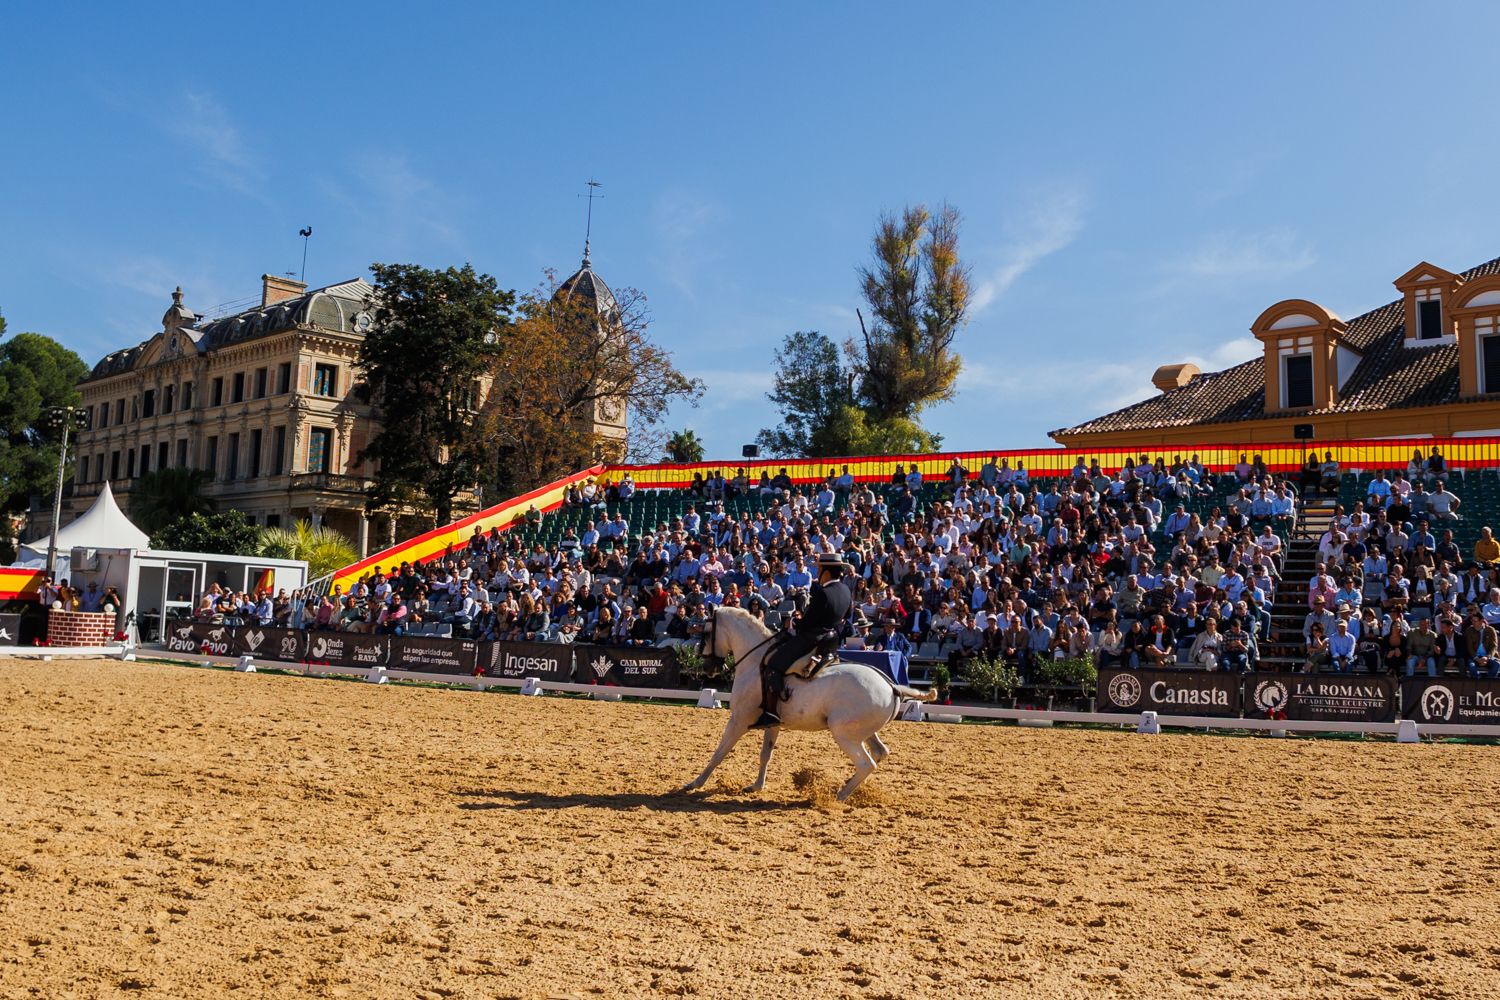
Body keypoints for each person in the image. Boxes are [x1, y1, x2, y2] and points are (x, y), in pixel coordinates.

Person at [751, 552, 853, 729]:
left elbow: (807, 623)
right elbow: (847, 616)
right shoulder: (845, 590)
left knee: (772, 665)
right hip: (832, 641)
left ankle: (771, 713)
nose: (817, 572)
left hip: (811, 639)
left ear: (826, 572)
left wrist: (793, 621)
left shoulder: (823, 593)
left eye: (819, 569)